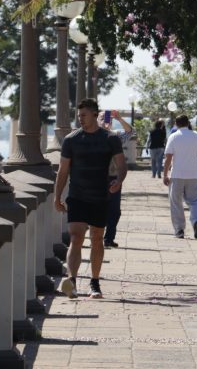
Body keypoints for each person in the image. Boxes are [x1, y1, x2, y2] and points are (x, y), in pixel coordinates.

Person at [55, 98, 128, 299]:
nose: (80, 118)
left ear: (95, 115)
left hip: (100, 196)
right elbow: (63, 171)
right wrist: (57, 197)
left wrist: (119, 180)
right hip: (77, 196)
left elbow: (122, 166)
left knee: (97, 239)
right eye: (79, 115)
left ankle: (94, 282)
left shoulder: (110, 138)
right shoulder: (71, 140)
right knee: (76, 237)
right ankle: (71, 281)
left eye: (84, 115)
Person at [163, 114, 197, 239]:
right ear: (188, 123)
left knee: (176, 202)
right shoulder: (196, 135)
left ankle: (179, 229)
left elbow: (168, 157)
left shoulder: (173, 137)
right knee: (194, 201)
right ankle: (196, 221)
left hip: (177, 174)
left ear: (176, 124)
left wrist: (165, 174)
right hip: (194, 174)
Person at [100, 109, 133, 249]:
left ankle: (109, 238)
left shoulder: (116, 136)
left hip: (113, 177)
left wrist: (119, 118)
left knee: (114, 211)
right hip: (96, 178)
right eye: (102, 118)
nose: (106, 121)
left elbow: (130, 132)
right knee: (99, 209)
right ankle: (98, 237)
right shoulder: (92, 135)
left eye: (108, 118)